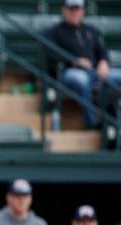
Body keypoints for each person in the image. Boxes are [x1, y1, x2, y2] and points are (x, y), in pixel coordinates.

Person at [45, 0, 121, 129]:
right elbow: (50, 55)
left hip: (95, 70)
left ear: (83, 11)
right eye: (71, 9)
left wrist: (104, 62)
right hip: (71, 71)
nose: (74, 12)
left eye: (77, 9)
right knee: (80, 80)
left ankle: (109, 116)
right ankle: (91, 123)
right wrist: (73, 61)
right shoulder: (54, 32)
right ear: (64, 10)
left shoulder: (91, 30)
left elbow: (102, 51)